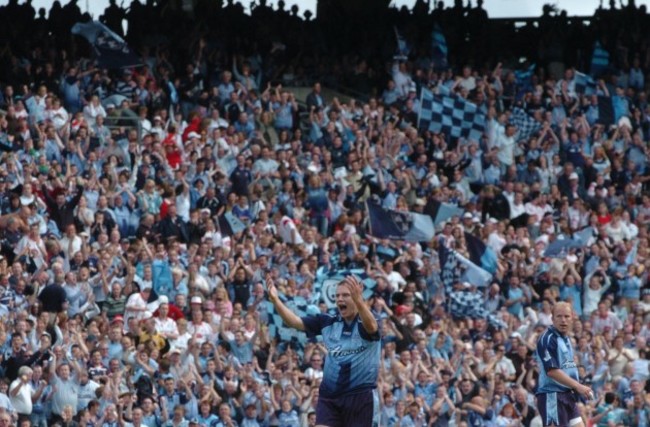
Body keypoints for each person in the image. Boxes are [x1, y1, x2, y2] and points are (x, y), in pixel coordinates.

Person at [267, 274, 380, 427]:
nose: (340, 299)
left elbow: (372, 328)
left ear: (357, 297)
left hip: (360, 396)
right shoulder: (327, 321)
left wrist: (359, 301)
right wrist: (275, 300)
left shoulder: (367, 321)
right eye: (337, 295)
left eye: (346, 295)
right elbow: (294, 322)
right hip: (329, 397)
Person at [535, 302, 593, 427]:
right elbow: (552, 371)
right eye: (559, 316)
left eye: (566, 316)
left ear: (572, 317)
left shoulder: (565, 338)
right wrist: (578, 386)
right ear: (552, 318)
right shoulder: (547, 338)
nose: (563, 320)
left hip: (567, 395)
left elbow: (566, 368)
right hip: (552, 395)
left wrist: (576, 387)